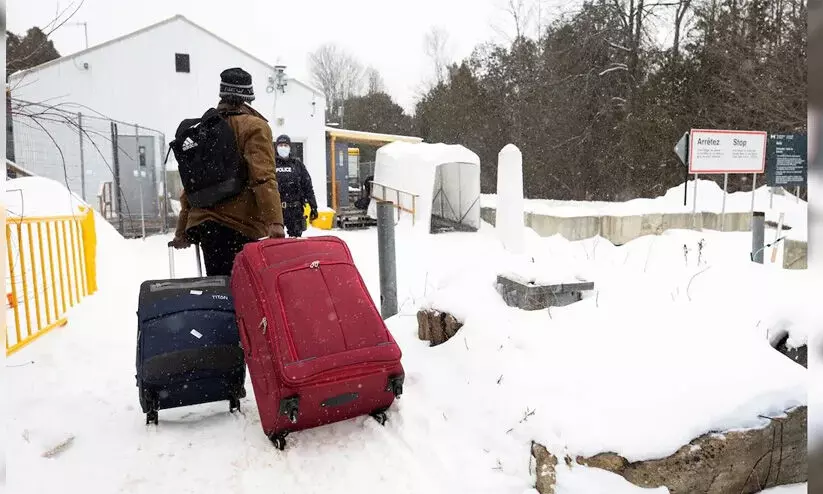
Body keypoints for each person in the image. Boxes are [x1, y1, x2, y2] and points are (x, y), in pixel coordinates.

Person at [171, 67, 285, 276]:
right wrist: (275, 222)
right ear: (247, 97)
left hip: (204, 225)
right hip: (239, 223)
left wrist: (182, 231)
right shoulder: (254, 126)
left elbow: (193, 183)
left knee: (219, 290)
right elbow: (262, 176)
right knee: (241, 292)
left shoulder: (205, 127)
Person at [273, 134, 318, 238]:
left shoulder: (297, 165)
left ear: (289, 147)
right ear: (276, 147)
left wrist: (313, 206)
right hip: (276, 210)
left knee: (296, 241)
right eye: (280, 145)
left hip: (295, 209)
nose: (283, 147)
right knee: (276, 241)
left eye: (285, 145)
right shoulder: (271, 164)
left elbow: (308, 186)